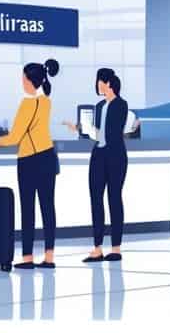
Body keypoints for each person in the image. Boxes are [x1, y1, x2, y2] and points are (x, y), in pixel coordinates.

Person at [0, 59, 61, 269]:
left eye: (23, 79)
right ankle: (49, 257)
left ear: (30, 81)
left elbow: (15, 137)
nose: (21, 82)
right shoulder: (46, 102)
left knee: (28, 208)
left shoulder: (27, 104)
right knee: (48, 207)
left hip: (29, 160)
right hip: (48, 157)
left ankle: (28, 257)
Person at [63, 67, 129, 262]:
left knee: (114, 198)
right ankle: (97, 248)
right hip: (98, 155)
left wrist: (87, 129)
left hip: (115, 155)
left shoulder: (121, 105)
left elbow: (110, 133)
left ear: (108, 82)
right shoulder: (99, 106)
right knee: (96, 200)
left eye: (99, 80)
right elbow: (98, 134)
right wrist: (80, 129)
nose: (97, 84)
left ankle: (116, 248)